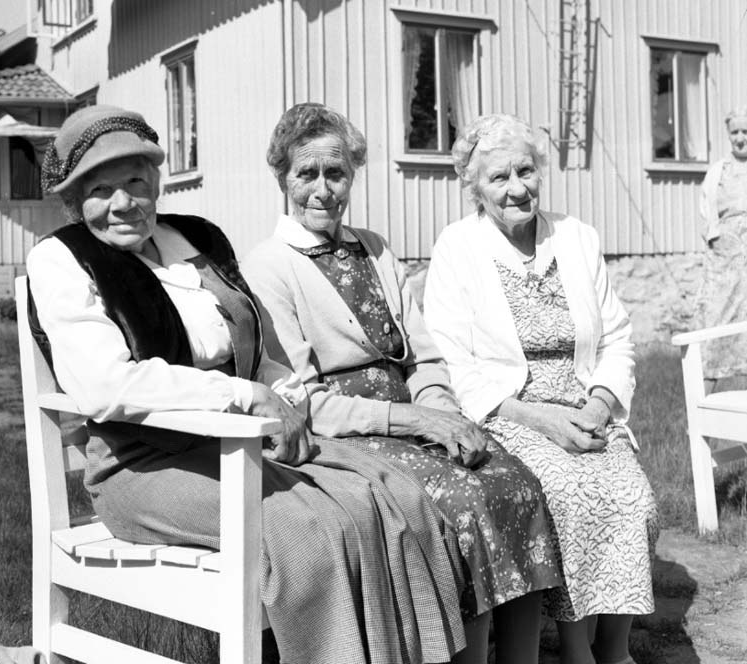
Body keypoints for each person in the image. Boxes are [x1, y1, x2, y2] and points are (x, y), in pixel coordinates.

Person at [25, 104, 473, 664]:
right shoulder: (60, 259)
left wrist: (286, 400)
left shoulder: (197, 241)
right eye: (99, 190)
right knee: (309, 532)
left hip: (241, 446)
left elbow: (260, 355)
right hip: (142, 464)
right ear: (74, 202)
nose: (123, 203)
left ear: (156, 184)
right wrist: (243, 398)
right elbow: (105, 385)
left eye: (135, 182)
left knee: (395, 497)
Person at [241, 103, 563, 664]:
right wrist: (415, 420)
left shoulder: (374, 246)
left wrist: (442, 413)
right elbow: (303, 401)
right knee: (462, 504)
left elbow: (423, 353)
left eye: (337, 173)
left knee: (515, 483)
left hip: (417, 420)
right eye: (307, 174)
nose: (323, 190)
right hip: (346, 438)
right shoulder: (268, 266)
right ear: (281, 177)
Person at [423, 114, 659, 664]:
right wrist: (541, 420)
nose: (516, 188)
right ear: (475, 188)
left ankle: (615, 648)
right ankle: (576, 649)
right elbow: (453, 360)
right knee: (568, 494)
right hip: (510, 415)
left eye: (525, 171)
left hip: (585, 407)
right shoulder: (458, 246)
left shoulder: (576, 236)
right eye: (498, 177)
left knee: (633, 497)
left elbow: (617, 338)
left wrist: (600, 402)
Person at [697, 105, 747, 392]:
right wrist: (720, 242)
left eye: (746, 132)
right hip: (725, 264)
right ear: (728, 134)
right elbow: (707, 216)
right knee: (716, 325)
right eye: (735, 132)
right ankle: (702, 404)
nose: (740, 138)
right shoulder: (718, 172)